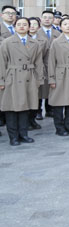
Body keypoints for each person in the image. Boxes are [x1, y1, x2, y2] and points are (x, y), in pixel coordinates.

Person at [0, 17, 44, 146]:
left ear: (29, 27)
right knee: (12, 108)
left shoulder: (34, 43)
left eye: (25, 24)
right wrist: (2, 80)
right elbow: (2, 62)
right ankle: (13, 137)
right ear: (14, 27)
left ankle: (24, 134)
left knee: (26, 107)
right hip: (12, 76)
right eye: (19, 24)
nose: (22, 26)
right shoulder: (7, 42)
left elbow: (39, 63)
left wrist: (38, 79)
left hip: (29, 77)